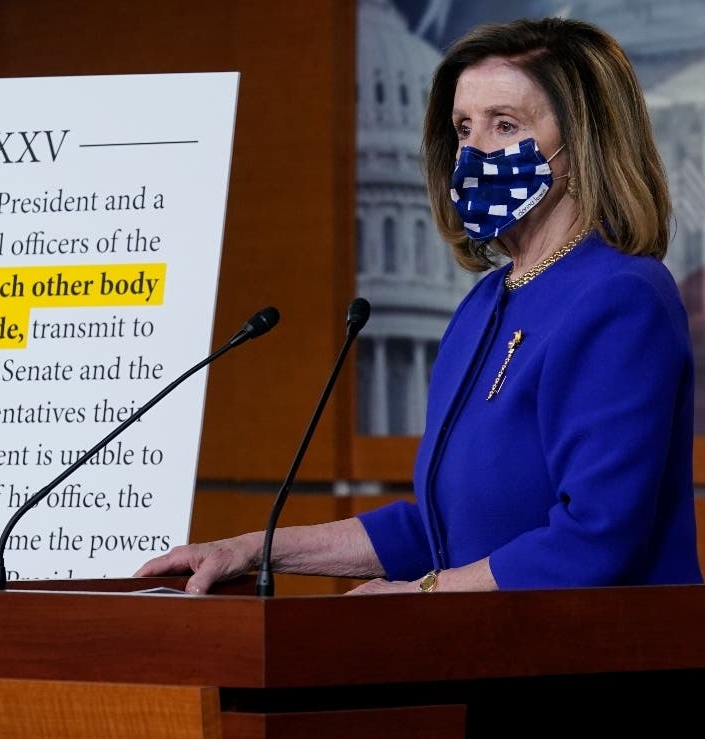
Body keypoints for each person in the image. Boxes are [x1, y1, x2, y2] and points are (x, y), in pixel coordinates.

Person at [136, 16, 703, 594]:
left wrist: (419, 595)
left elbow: (595, 537)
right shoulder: (485, 304)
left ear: (583, 145)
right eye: (463, 129)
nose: (474, 152)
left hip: (606, 664)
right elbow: (439, 533)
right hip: (492, 665)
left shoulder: (620, 297)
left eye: (503, 125)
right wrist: (251, 549)